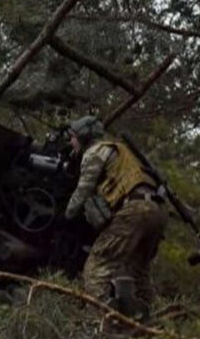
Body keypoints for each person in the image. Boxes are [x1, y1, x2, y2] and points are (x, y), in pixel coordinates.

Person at [64, 115, 168, 319]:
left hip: (134, 210)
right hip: (157, 210)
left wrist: (67, 215)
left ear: (84, 137)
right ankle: (145, 323)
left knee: (96, 268)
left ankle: (102, 323)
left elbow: (83, 190)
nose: (71, 142)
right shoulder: (123, 151)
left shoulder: (95, 151)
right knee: (138, 273)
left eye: (73, 137)